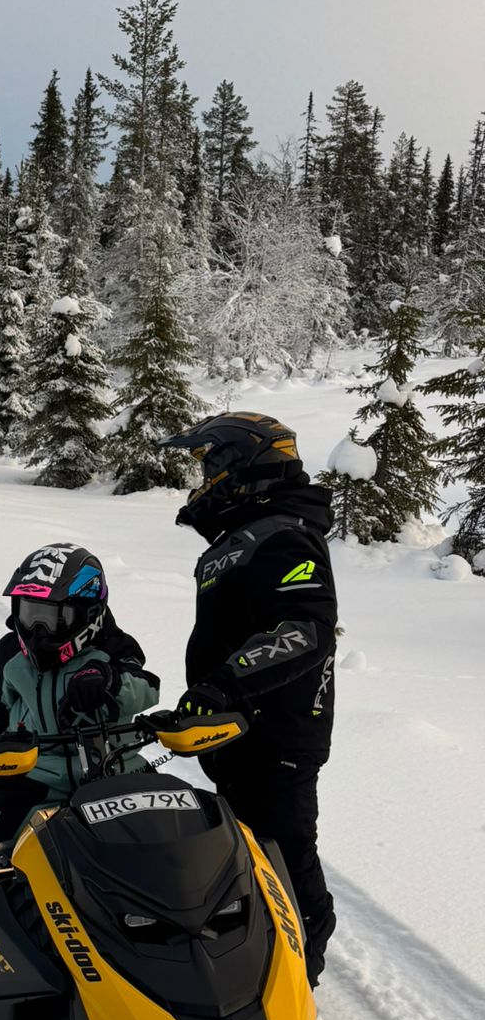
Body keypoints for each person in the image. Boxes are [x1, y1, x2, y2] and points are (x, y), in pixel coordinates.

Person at [160, 412, 338, 982]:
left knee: (285, 855)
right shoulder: (243, 538)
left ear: (243, 465)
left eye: (211, 463)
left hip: (277, 735)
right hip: (238, 733)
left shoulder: (282, 534)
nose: (204, 476)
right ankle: (252, 957)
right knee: (245, 854)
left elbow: (303, 629)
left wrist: (223, 685)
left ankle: (300, 975)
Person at [0, 545, 159, 885]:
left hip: (116, 770)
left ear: (88, 612)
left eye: (54, 617)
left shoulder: (113, 647)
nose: (39, 631)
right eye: (31, 614)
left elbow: (146, 687)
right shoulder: (11, 651)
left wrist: (109, 681)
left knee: (178, 844)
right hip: (34, 777)